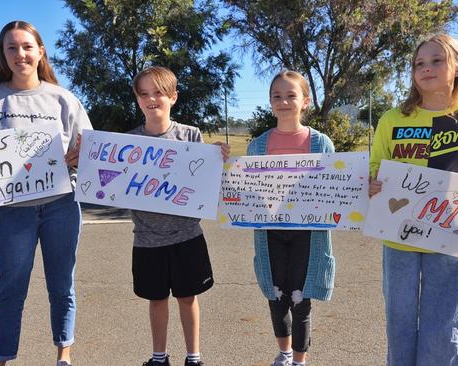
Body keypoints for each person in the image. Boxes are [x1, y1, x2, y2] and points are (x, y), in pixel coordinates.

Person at [369, 33, 458, 366]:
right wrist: (372, 183)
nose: (426, 68)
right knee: (398, 322)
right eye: (419, 63)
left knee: (442, 324)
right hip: (397, 239)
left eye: (436, 60)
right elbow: (375, 166)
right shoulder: (393, 119)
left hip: (451, 241)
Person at [0, 20, 91, 366]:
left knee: (61, 285)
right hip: (12, 211)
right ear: (3, 54)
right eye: (12, 48)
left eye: (27, 46)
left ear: (40, 51)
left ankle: (64, 353)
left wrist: (77, 158)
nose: (20, 54)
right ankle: (1, 358)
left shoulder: (62, 99)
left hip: (61, 206)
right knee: (10, 289)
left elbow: (91, 150)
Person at [128, 66, 229, 366]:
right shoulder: (128, 141)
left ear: (173, 97)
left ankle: (193, 357)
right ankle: (159, 357)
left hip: (187, 236)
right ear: (137, 99)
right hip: (146, 239)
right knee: (156, 300)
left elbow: (202, 181)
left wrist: (216, 157)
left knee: (188, 298)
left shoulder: (190, 135)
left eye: (158, 92)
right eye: (144, 93)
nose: (151, 99)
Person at [246, 70, 336, 366]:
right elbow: (246, 190)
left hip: (307, 234)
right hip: (269, 232)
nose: (284, 101)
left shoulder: (321, 144)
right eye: (277, 96)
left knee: (301, 298)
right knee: (276, 296)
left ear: (306, 101)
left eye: (291, 95)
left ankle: (299, 360)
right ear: (270, 102)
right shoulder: (257, 146)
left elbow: (334, 187)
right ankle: (284, 354)